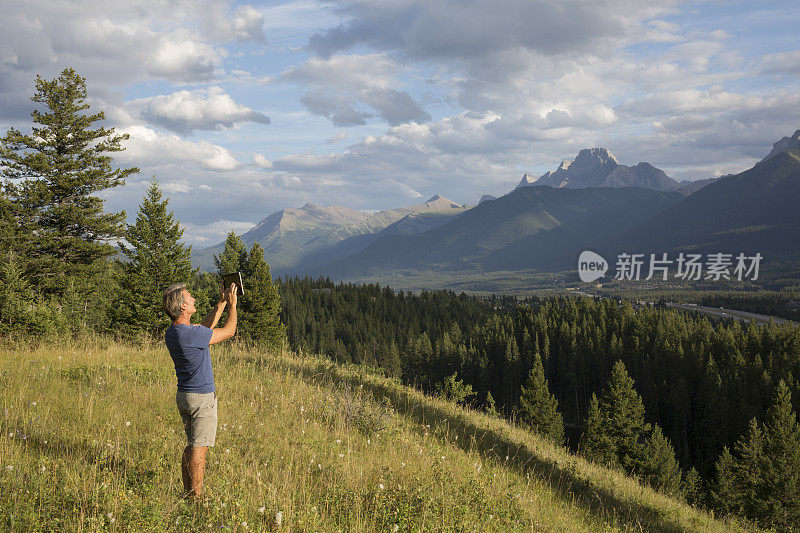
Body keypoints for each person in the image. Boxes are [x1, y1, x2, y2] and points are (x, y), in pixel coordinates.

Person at [162, 281, 238, 500]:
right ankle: (196, 498)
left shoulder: (175, 332)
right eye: (189, 297)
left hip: (185, 396)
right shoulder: (190, 335)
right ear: (183, 307)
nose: (193, 299)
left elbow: (203, 330)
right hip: (201, 398)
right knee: (200, 449)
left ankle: (188, 494)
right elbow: (229, 331)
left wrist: (221, 304)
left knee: (192, 445)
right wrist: (233, 305)